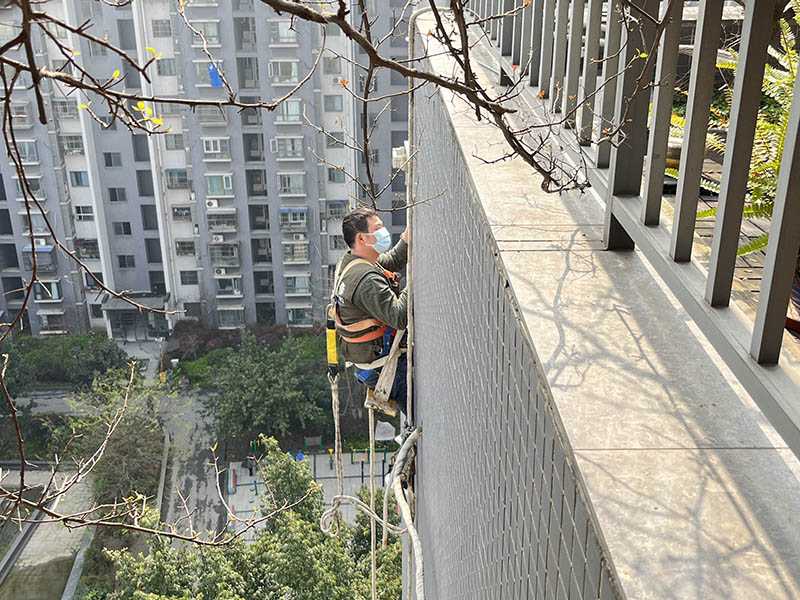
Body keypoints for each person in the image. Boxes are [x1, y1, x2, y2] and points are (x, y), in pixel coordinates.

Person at [331, 207, 409, 415]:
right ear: (362, 238)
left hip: (372, 362)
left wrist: (408, 240)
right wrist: (416, 280)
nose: (383, 232)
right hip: (386, 366)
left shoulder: (352, 262)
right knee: (423, 416)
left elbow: (391, 262)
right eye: (378, 228)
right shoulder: (364, 281)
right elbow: (400, 316)